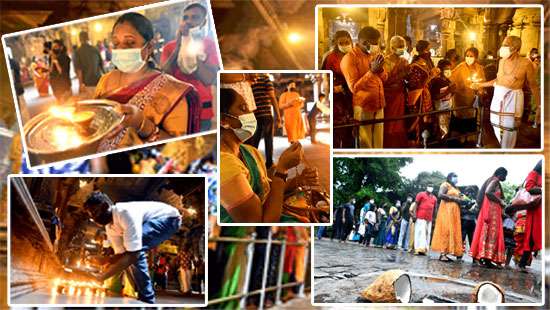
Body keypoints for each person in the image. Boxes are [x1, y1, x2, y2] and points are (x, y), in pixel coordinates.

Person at [94, 12, 201, 152]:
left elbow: (179, 151)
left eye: (130, 43)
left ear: (149, 47)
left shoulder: (173, 91)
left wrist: (142, 124)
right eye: (115, 43)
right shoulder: (105, 80)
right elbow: (95, 127)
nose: (120, 49)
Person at [219, 84, 318, 223]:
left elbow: (268, 190)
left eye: (249, 108)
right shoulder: (223, 165)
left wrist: (299, 180)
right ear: (224, 120)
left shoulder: (249, 151)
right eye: (243, 108)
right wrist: (282, 169)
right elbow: (260, 224)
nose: (251, 114)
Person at [82, 192, 182, 304]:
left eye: (95, 212)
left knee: (136, 251)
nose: (94, 218)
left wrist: (101, 277)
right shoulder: (110, 227)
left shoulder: (124, 213)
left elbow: (133, 255)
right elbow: (122, 254)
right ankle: (144, 296)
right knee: (130, 253)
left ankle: (147, 299)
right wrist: (106, 260)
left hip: (169, 218)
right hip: (153, 221)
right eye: (91, 216)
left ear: (105, 206)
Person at [472, 36, 540, 148]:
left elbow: (533, 86)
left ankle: (507, 151)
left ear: (516, 48)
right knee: (496, 125)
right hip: (498, 99)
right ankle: (503, 147)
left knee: (510, 130)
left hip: (513, 101)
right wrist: (480, 84)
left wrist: (539, 106)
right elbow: (499, 80)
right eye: (503, 44)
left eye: (506, 45)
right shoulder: (502, 61)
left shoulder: (526, 63)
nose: (503, 47)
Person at [161, 2, 219, 130]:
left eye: (195, 17)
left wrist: (192, 50)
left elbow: (208, 79)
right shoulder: (170, 47)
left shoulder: (210, 46)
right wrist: (179, 47)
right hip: (176, 109)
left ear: (203, 22)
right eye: (185, 18)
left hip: (202, 112)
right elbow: (164, 78)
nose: (188, 21)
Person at [340, 26, 387, 148]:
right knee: (365, 144)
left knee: (378, 143)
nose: (377, 46)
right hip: (363, 106)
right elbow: (354, 88)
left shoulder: (373, 54)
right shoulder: (349, 58)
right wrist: (372, 71)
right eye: (375, 43)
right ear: (365, 42)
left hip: (379, 103)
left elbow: (385, 78)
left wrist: (380, 70)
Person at [470, 167, 508, 268]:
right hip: (491, 211)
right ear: (500, 174)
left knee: (487, 234)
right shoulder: (495, 180)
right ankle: (478, 258)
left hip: (491, 211)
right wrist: (500, 201)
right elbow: (488, 192)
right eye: (505, 175)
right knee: (487, 233)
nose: (506, 178)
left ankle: (486, 259)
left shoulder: (492, 180)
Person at [321, 30, 354, 148]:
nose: (345, 45)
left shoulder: (354, 55)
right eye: (341, 42)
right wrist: (331, 89)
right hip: (338, 97)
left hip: (352, 96)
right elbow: (325, 76)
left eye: (347, 42)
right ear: (336, 43)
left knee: (351, 130)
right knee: (338, 128)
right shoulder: (330, 58)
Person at [449, 47, 485, 142]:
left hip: (473, 99)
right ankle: (459, 137)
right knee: (460, 118)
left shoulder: (479, 68)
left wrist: (480, 90)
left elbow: (482, 81)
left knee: (472, 117)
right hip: (460, 98)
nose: (469, 58)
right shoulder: (460, 67)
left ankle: (469, 137)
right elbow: (451, 79)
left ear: (476, 57)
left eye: (471, 56)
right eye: (467, 56)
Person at [246, 73, 281, 168]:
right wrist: (278, 116)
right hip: (266, 114)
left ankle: (252, 161)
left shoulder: (251, 80)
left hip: (256, 115)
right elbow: (272, 97)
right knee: (268, 139)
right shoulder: (265, 78)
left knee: (255, 139)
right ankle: (269, 163)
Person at [406, 40, 438, 145]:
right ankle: (417, 142)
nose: (429, 52)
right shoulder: (415, 65)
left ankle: (426, 141)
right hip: (418, 96)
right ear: (421, 51)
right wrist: (430, 77)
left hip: (426, 94)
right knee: (419, 120)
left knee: (427, 119)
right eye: (427, 50)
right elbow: (413, 84)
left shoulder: (427, 62)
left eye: (429, 50)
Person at [382, 36, 408, 148]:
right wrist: (401, 74)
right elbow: (385, 81)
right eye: (400, 46)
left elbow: (406, 78)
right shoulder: (385, 61)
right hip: (389, 96)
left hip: (400, 95)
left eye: (403, 46)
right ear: (392, 48)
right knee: (389, 123)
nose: (402, 49)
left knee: (398, 123)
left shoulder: (404, 60)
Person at [516, 160, 542, 272]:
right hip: (535, 209)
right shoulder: (534, 173)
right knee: (533, 236)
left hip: (541, 208)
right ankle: (521, 263)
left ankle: (522, 262)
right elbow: (529, 188)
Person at [429, 59, 455, 140]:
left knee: (446, 129)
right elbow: (435, 96)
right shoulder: (436, 81)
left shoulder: (447, 80)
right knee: (441, 131)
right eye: (446, 69)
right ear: (440, 70)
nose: (449, 71)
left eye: (450, 69)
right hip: (439, 110)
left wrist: (453, 91)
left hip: (447, 108)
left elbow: (450, 94)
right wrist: (448, 91)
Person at [74, 31, 104, 98]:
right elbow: (102, 66)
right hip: (98, 80)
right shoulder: (95, 49)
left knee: (92, 103)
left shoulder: (78, 52)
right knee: (100, 100)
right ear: (88, 38)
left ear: (79, 39)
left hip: (88, 83)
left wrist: (80, 85)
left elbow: (79, 70)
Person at [414, 186, 437, 255]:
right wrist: (415, 214)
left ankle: (424, 249)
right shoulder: (420, 194)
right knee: (420, 233)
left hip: (429, 219)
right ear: (426, 187)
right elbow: (416, 204)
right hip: (420, 217)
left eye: (432, 186)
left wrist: (434, 219)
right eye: (429, 186)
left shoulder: (434, 198)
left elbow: (435, 208)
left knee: (427, 233)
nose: (431, 188)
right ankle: (418, 249)